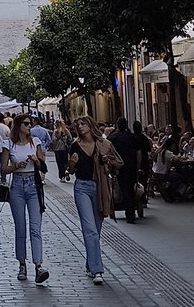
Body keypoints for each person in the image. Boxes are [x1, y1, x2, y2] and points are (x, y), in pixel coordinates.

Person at [68, 114, 123, 285]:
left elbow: (119, 163)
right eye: (78, 125)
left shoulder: (104, 145)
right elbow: (69, 171)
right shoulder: (75, 145)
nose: (80, 127)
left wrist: (107, 160)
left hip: (100, 188)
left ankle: (90, 264)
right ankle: (97, 270)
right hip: (82, 188)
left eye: (82, 123)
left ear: (90, 125)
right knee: (89, 229)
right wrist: (71, 163)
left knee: (96, 231)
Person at [1, 113, 49, 286]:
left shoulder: (35, 142)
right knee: (20, 228)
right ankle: (22, 264)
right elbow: (3, 169)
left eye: (30, 123)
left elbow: (44, 166)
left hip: (33, 186)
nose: (30, 126)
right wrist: (15, 166)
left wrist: (36, 161)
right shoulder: (9, 144)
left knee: (35, 227)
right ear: (19, 125)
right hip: (17, 187)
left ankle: (38, 265)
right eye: (27, 124)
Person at [108, 118, 140, 224]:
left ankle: (127, 211)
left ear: (117, 125)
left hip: (119, 167)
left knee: (121, 189)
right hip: (131, 166)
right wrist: (138, 165)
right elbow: (138, 152)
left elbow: (109, 153)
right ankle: (130, 213)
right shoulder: (132, 137)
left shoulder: (112, 137)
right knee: (130, 189)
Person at [132, 120, 152, 200]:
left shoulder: (132, 137)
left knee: (135, 179)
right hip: (144, 160)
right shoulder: (144, 138)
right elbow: (148, 149)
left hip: (134, 160)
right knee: (144, 180)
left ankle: (136, 196)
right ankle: (143, 198)